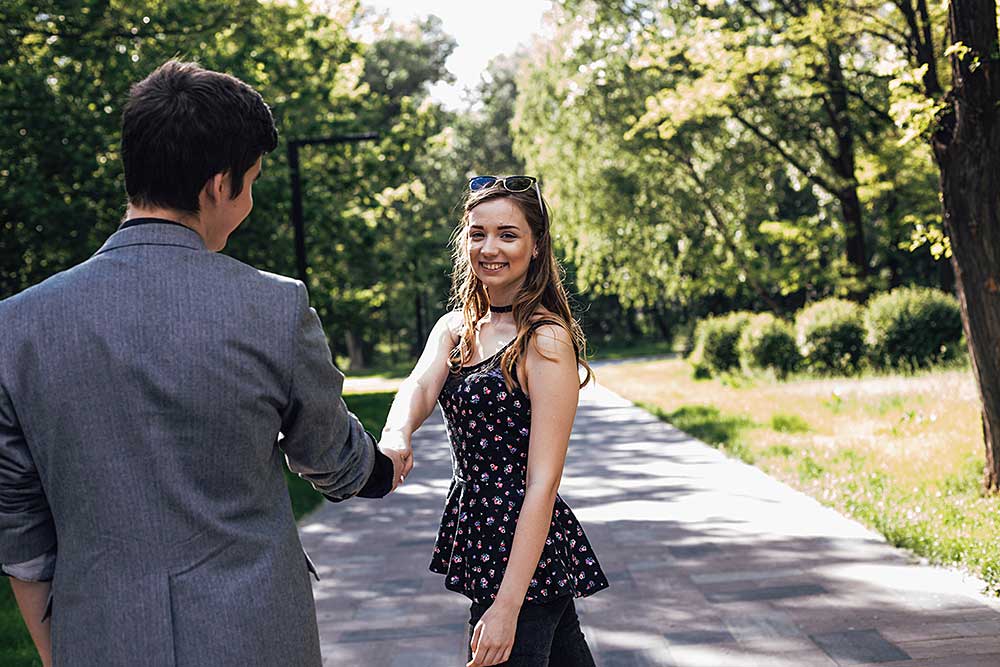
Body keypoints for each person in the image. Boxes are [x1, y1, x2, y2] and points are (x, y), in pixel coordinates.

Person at [0, 60, 406, 667]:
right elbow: (328, 455)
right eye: (253, 180)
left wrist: (62, 652)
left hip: (101, 638)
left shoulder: (17, 324)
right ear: (220, 185)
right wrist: (380, 467)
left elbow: (19, 522)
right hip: (255, 637)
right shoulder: (275, 306)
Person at [381, 175, 609, 666]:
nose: (490, 247)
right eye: (478, 232)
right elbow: (419, 386)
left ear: (536, 244)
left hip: (523, 555)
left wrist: (507, 606)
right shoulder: (456, 328)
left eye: (508, 234)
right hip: (484, 537)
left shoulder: (544, 340)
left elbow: (542, 484)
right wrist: (397, 433)